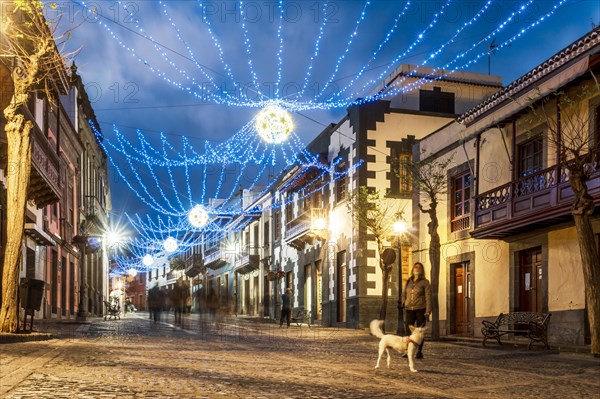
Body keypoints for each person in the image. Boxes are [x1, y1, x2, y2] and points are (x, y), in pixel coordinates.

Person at [400, 262, 432, 359]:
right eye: (415, 267)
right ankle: (407, 351)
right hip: (409, 309)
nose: (416, 269)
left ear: (421, 270)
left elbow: (428, 297)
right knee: (408, 331)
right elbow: (403, 294)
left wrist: (428, 310)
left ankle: (419, 351)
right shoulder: (408, 281)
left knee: (420, 332)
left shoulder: (425, 282)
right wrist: (404, 302)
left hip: (420, 309)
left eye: (418, 267)